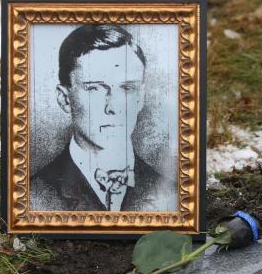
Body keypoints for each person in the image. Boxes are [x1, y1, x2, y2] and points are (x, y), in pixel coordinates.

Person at [30, 24, 174, 212]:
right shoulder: (33, 197)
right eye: (94, 89)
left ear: (141, 97)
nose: (112, 108)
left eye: (127, 88)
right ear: (64, 99)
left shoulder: (173, 196)